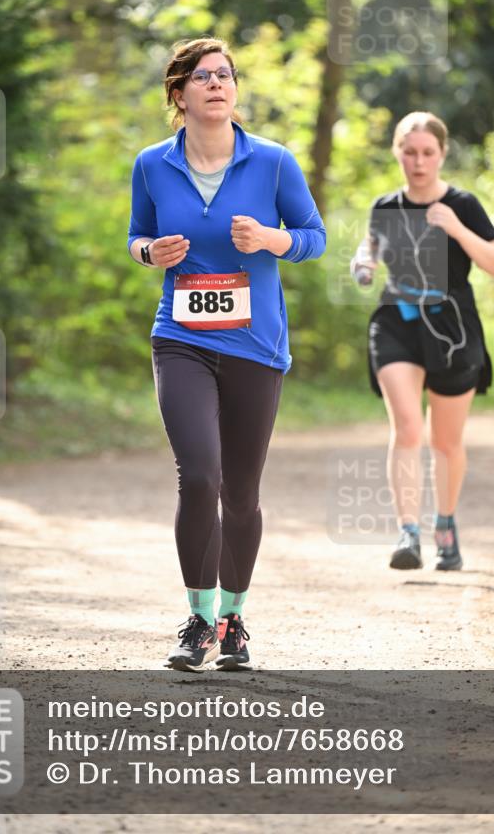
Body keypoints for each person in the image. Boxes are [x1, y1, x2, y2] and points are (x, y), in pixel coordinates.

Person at [127, 37, 326, 671]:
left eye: (226, 75)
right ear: (178, 93)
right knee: (201, 475)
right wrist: (147, 253)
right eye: (203, 76)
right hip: (181, 340)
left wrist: (272, 239)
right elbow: (136, 234)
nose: (217, 84)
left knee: (241, 491)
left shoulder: (272, 163)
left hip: (254, 346)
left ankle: (235, 620)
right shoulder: (153, 165)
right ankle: (199, 620)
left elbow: (314, 237)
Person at [351, 111, 494, 572]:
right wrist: (362, 264)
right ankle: (408, 532)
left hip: (452, 328)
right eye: (410, 152)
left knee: (445, 441)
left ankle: (444, 523)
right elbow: (370, 245)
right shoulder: (386, 206)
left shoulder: (463, 203)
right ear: (398, 153)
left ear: (441, 155)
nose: (418, 162)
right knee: (407, 426)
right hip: (396, 319)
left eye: (427, 153)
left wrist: (457, 228)